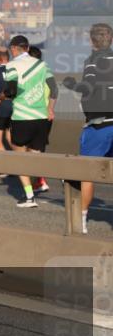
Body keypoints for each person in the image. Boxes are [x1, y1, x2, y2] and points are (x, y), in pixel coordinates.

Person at [62, 23, 113, 234]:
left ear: (92, 41)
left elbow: (88, 87)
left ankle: (81, 221)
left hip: (99, 124)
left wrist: (71, 84)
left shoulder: (93, 61)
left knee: (87, 172)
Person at [2, 35, 58, 209]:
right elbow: (54, 89)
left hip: (22, 117)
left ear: (13, 49)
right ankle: (39, 183)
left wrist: (2, 95)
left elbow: (11, 90)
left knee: (20, 158)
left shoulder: (11, 66)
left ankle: (29, 196)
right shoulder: (42, 65)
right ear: (27, 47)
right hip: (41, 118)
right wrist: (50, 108)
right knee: (35, 157)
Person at [26, 46, 52, 193]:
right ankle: (38, 180)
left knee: (33, 150)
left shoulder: (30, 74)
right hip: (46, 115)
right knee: (38, 149)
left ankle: (39, 180)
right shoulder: (46, 71)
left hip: (34, 115)